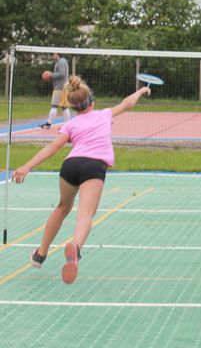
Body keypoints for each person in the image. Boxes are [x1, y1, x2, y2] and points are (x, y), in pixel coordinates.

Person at [13, 76, 151, 284]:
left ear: (73, 107)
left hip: (70, 166)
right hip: (94, 167)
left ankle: (40, 254)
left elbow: (53, 148)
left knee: (63, 207)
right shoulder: (104, 115)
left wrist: (27, 166)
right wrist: (140, 91)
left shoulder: (70, 124)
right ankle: (75, 248)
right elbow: (126, 104)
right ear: (91, 101)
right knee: (85, 214)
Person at [40, 52, 71, 129]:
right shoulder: (61, 61)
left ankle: (48, 124)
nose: (52, 55)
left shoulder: (61, 62)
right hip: (62, 86)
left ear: (57, 54)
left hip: (60, 87)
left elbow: (62, 73)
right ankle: (66, 125)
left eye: (53, 54)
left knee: (55, 105)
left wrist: (51, 75)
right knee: (64, 106)